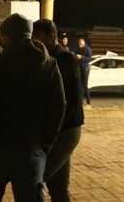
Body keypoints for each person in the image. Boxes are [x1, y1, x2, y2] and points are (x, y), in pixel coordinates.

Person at [0, 14, 66, 202]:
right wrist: (49, 139)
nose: (0, 40)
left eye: (2, 35)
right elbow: (59, 104)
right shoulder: (49, 63)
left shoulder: (2, 62)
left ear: (11, 36)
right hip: (31, 149)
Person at [32, 20, 84, 202]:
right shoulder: (44, 57)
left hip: (66, 130)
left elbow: (72, 100)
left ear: (51, 36)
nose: (34, 40)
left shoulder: (64, 59)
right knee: (59, 188)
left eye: (38, 37)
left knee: (35, 181)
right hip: (56, 130)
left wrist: (52, 133)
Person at [73, 37, 93, 106]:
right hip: (79, 68)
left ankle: (88, 102)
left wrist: (81, 57)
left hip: (85, 68)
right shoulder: (78, 49)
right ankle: (80, 102)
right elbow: (75, 56)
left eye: (81, 44)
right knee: (80, 86)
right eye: (79, 45)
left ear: (83, 43)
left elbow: (89, 59)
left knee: (85, 85)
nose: (80, 46)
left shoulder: (87, 49)